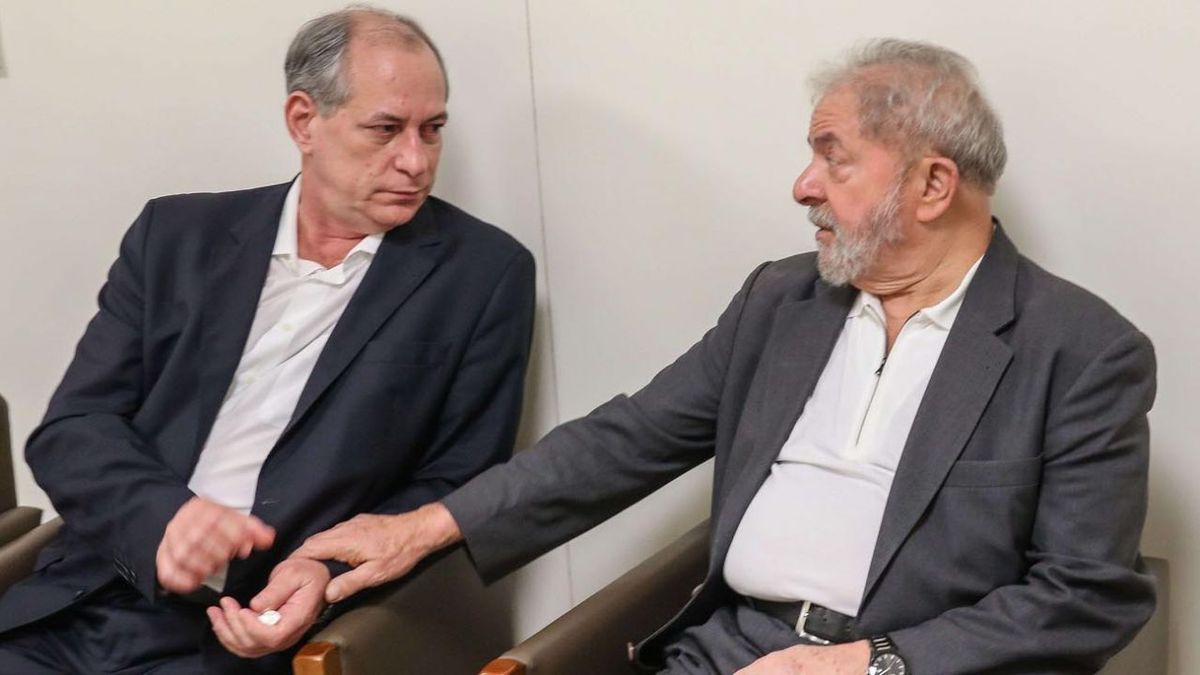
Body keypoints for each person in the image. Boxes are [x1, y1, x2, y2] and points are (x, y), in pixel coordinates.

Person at [293, 39, 1157, 674]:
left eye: (833, 159)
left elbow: (1085, 594)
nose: (802, 185)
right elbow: (624, 439)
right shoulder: (782, 302)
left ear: (933, 185)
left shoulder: (1080, 351)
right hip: (727, 653)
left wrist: (865, 662)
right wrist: (425, 525)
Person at [0, 6, 535, 674]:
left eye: (433, 130)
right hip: (93, 598)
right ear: (304, 121)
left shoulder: (481, 275)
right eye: (386, 129)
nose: (415, 160)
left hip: (256, 631)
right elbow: (73, 428)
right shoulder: (176, 237)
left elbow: (457, 484)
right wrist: (166, 519)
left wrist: (324, 570)